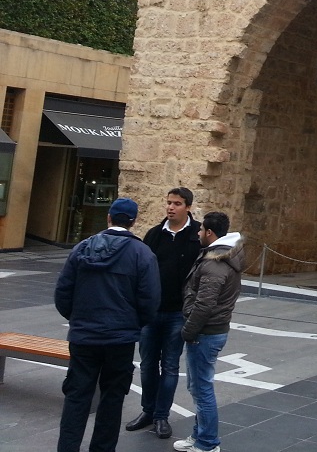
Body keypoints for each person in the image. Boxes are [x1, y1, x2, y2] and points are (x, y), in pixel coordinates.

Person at [54, 197, 160, 452]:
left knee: (76, 397)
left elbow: (63, 293)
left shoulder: (81, 248)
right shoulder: (142, 254)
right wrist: (133, 324)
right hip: (119, 338)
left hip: (84, 337)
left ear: (109, 217)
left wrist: (78, 319)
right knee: (112, 399)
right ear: (133, 221)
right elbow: (150, 300)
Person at [126, 187, 202, 439]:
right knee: (148, 365)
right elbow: (141, 269)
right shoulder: (154, 234)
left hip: (177, 313)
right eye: (169, 202)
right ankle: (148, 411)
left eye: (177, 203)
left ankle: (161, 416)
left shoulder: (197, 235)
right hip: (151, 312)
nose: (171, 207)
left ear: (188, 207)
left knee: (169, 366)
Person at [173, 211, 243, 452]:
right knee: (198, 387)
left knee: (202, 390)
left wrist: (188, 331)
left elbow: (205, 304)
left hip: (205, 333)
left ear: (210, 233)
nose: (198, 232)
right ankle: (199, 436)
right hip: (210, 331)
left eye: (201, 229)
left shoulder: (215, 264)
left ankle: (207, 443)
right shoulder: (221, 256)